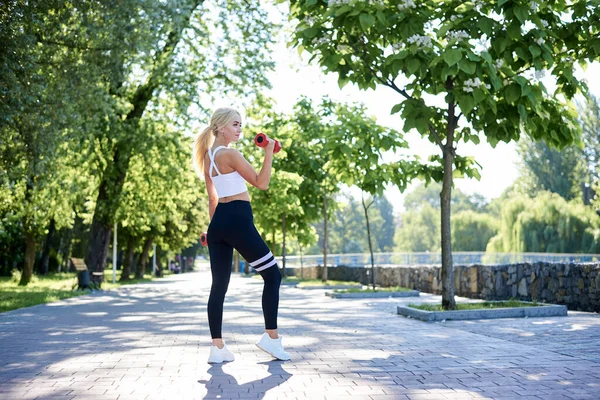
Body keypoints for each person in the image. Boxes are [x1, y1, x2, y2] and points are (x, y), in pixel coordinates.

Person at [192, 107, 290, 364]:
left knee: (219, 287)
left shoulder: (208, 158)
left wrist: (214, 230)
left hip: (220, 224)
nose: (240, 129)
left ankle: (217, 348)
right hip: (237, 218)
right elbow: (262, 182)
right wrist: (269, 152)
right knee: (272, 275)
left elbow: (212, 198)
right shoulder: (230, 154)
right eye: (235, 124)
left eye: (240, 125)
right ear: (222, 126)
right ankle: (272, 337)